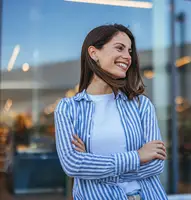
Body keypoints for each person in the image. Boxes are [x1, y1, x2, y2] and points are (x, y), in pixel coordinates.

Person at [54, 24, 168, 200]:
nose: (127, 57)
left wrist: (92, 164)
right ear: (94, 53)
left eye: (129, 51)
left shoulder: (141, 105)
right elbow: (73, 165)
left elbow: (155, 165)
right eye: (119, 48)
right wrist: (138, 156)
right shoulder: (68, 109)